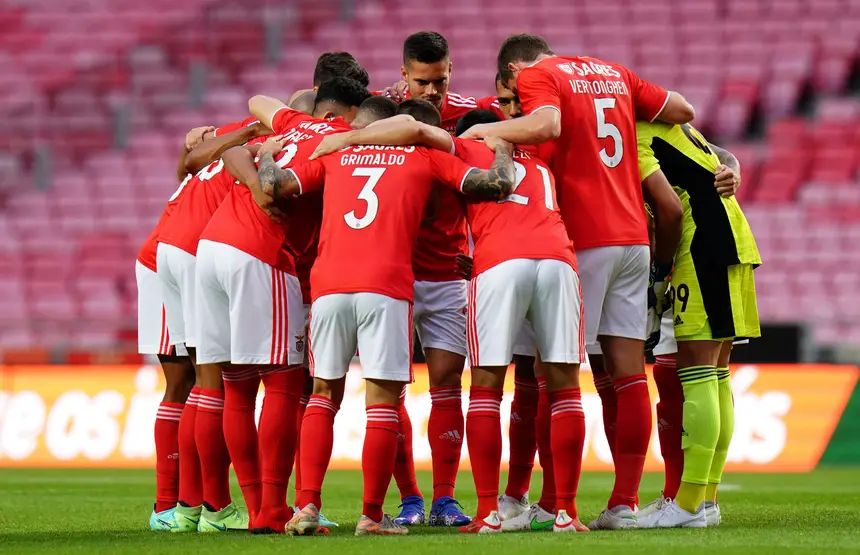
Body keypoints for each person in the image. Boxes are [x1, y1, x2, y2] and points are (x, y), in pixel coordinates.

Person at [461, 33, 693, 529]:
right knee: (629, 371)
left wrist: (487, 135)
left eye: (514, 94)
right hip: (633, 235)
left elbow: (546, 121)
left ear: (520, 69)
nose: (514, 102)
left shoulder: (540, 78)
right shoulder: (615, 72)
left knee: (555, 374)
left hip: (581, 236)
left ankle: (551, 504)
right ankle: (624, 504)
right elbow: (682, 110)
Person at [255, 110, 515, 536]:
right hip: (386, 286)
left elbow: (274, 184)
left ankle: (305, 507)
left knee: (322, 395)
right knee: (382, 403)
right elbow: (494, 185)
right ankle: (372, 516)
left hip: (329, 286)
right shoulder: (423, 157)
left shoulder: (337, 154)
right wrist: (503, 151)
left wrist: (266, 153)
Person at [191, 78, 370, 534]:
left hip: (210, 249)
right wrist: (263, 186)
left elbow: (233, 143)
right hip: (260, 254)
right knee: (285, 383)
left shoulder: (292, 124)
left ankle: (257, 510)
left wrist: (251, 177)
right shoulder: (334, 147)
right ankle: (272, 506)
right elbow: (279, 191)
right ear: (344, 117)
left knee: (234, 385)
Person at [633, 122, 760, 528]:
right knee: (717, 373)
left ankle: (688, 505)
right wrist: (731, 166)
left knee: (698, 370)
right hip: (729, 238)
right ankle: (703, 501)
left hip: (702, 245)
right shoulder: (673, 127)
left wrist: (661, 270)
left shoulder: (636, 134)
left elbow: (669, 209)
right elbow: (720, 155)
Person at [140, 128, 205, 531]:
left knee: (202, 381)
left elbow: (187, 163)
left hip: (184, 259)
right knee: (185, 382)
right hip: (166, 263)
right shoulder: (240, 152)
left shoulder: (221, 154)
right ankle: (168, 505)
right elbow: (187, 163)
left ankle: (190, 501)